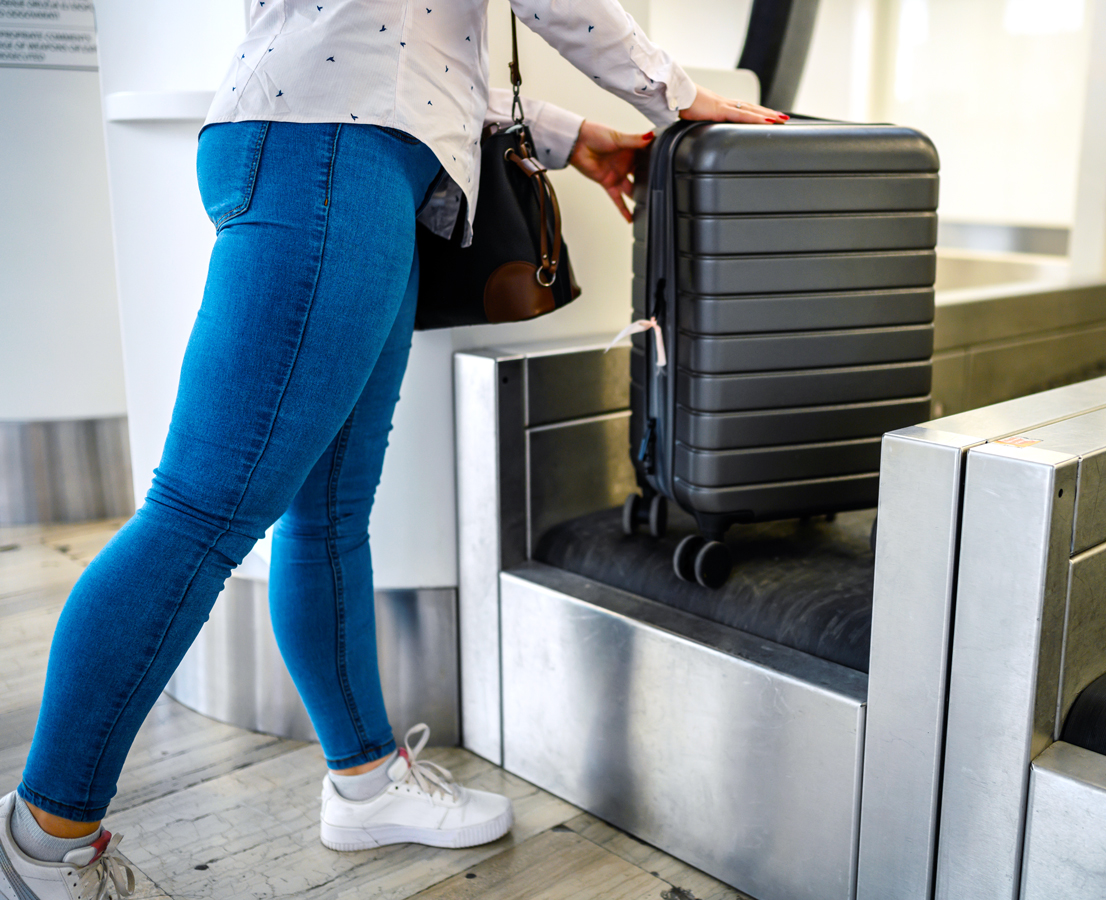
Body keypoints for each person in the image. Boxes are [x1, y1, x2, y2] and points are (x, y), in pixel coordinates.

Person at [0, 2, 785, 898]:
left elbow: (408, 42)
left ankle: (367, 784)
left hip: (357, 155)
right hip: (329, 153)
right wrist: (672, 94)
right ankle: (41, 842)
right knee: (200, 512)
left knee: (328, 511)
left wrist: (571, 134)